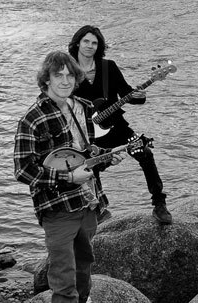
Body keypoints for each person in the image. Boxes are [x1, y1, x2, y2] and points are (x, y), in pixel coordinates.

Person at [14, 51, 123, 303]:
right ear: (46, 79)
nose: (64, 81)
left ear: (76, 79)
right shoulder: (33, 118)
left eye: (70, 76)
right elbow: (24, 169)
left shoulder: (81, 108)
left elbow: (83, 151)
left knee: (85, 263)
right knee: (63, 279)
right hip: (57, 210)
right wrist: (66, 177)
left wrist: (105, 156)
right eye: (58, 75)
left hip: (88, 202)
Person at [69, 25, 172, 224]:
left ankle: (159, 204)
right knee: (90, 167)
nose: (90, 46)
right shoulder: (69, 71)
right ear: (77, 43)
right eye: (86, 42)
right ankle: (97, 209)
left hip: (117, 126)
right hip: (86, 132)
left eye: (94, 43)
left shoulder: (108, 67)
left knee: (145, 153)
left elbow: (127, 94)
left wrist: (139, 96)